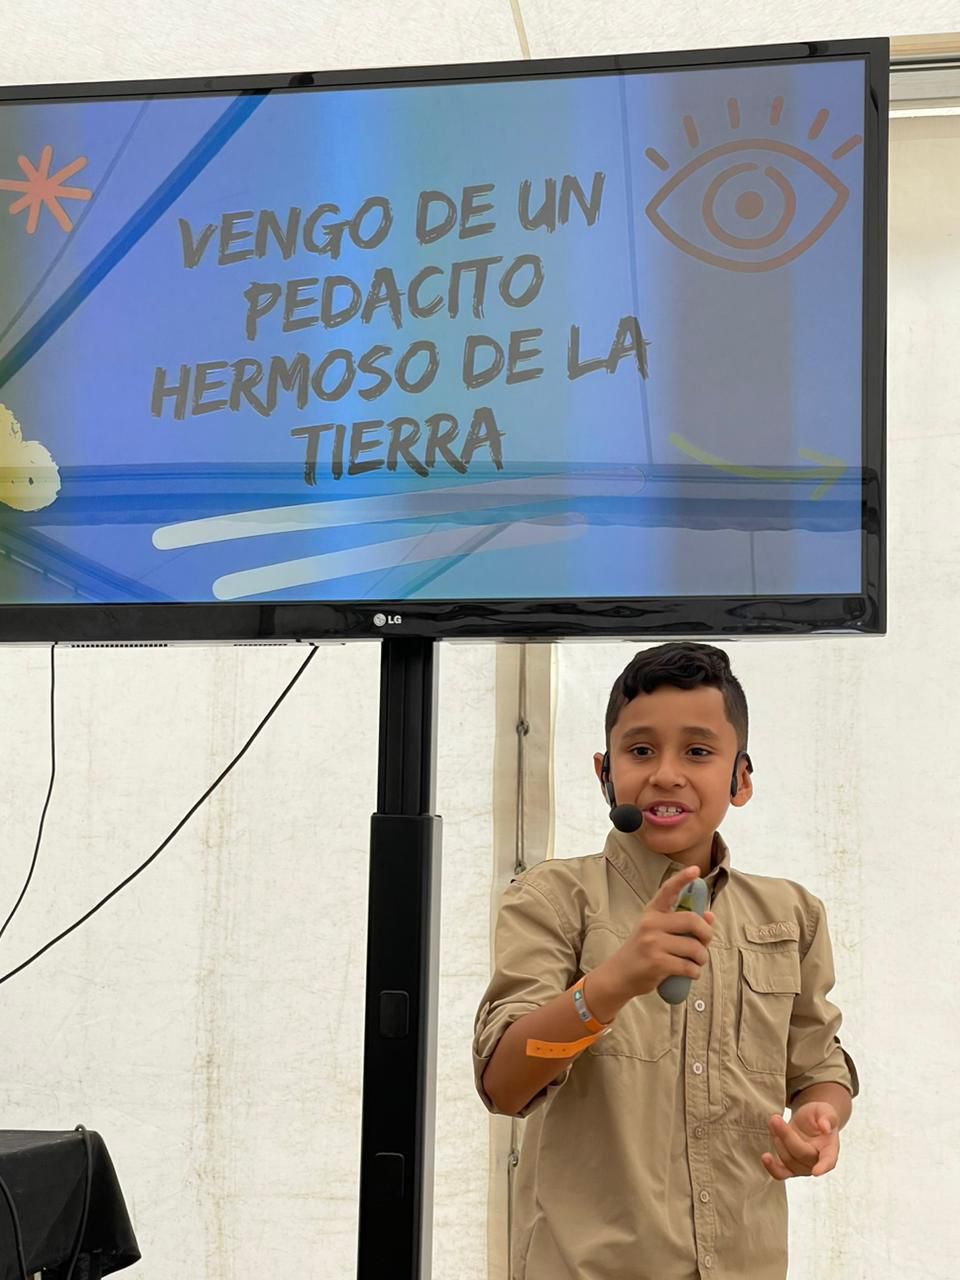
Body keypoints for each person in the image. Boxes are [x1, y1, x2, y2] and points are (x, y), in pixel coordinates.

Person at [473, 641, 858, 1280]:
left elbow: (817, 1064)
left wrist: (823, 1116)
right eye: (641, 750)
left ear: (741, 779)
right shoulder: (551, 899)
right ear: (605, 773)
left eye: (699, 752)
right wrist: (609, 986)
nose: (666, 774)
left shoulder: (793, 914)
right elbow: (504, 1084)